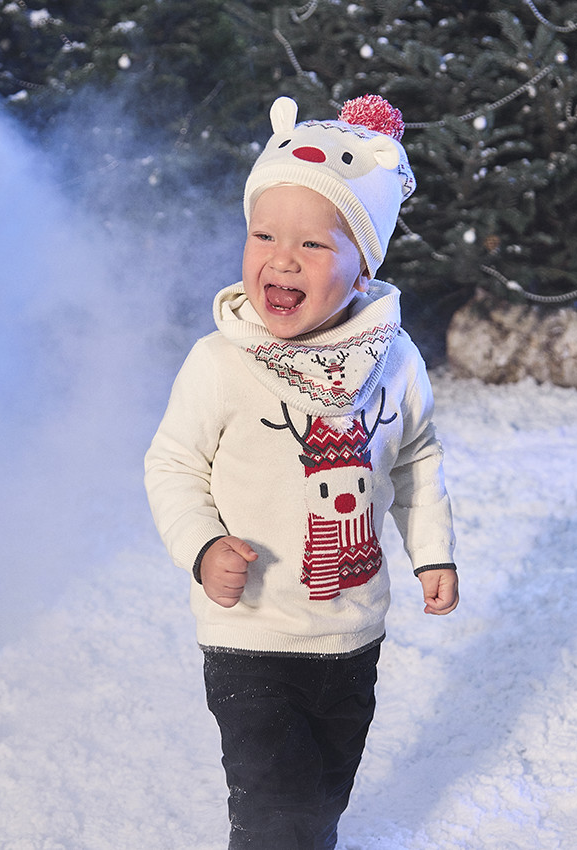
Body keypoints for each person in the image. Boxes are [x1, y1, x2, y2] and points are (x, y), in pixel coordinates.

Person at [144, 93, 458, 850]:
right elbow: (173, 463)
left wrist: (433, 551)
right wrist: (202, 547)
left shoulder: (393, 360)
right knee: (274, 809)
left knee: (321, 795)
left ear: (363, 267)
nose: (281, 258)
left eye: (314, 244)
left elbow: (417, 455)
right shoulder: (221, 362)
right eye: (263, 234)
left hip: (352, 630)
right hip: (250, 630)